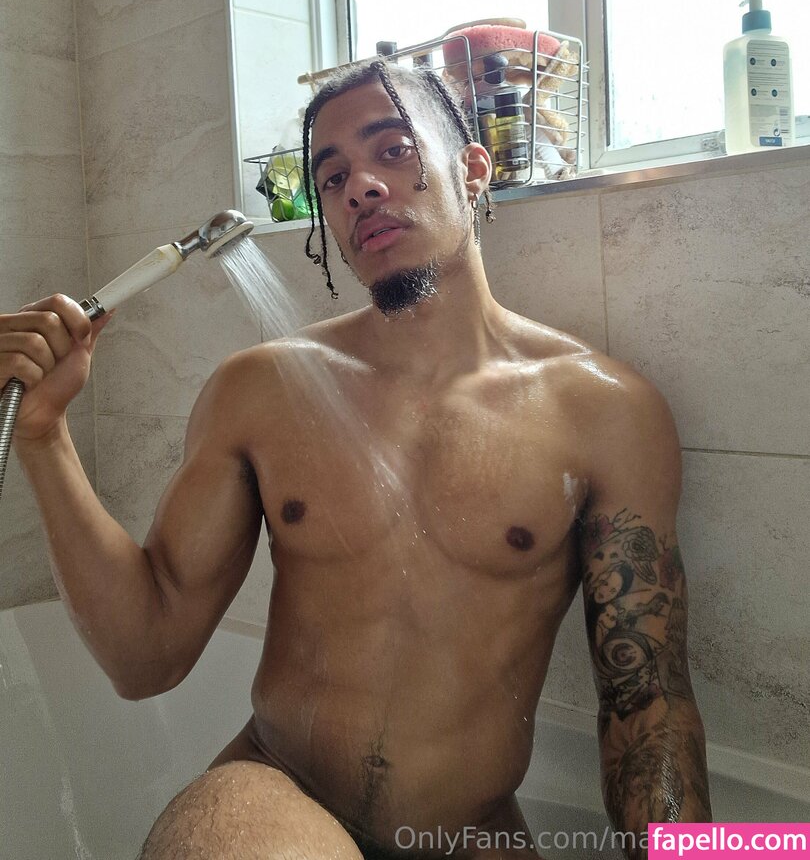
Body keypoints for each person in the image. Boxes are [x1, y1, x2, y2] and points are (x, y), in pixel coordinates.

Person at [0, 59, 712, 859]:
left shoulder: (605, 414)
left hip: (466, 832)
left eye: (394, 150)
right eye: (332, 177)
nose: (361, 188)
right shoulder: (261, 391)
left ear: (473, 170)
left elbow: (648, 706)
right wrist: (44, 435)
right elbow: (144, 657)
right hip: (274, 799)